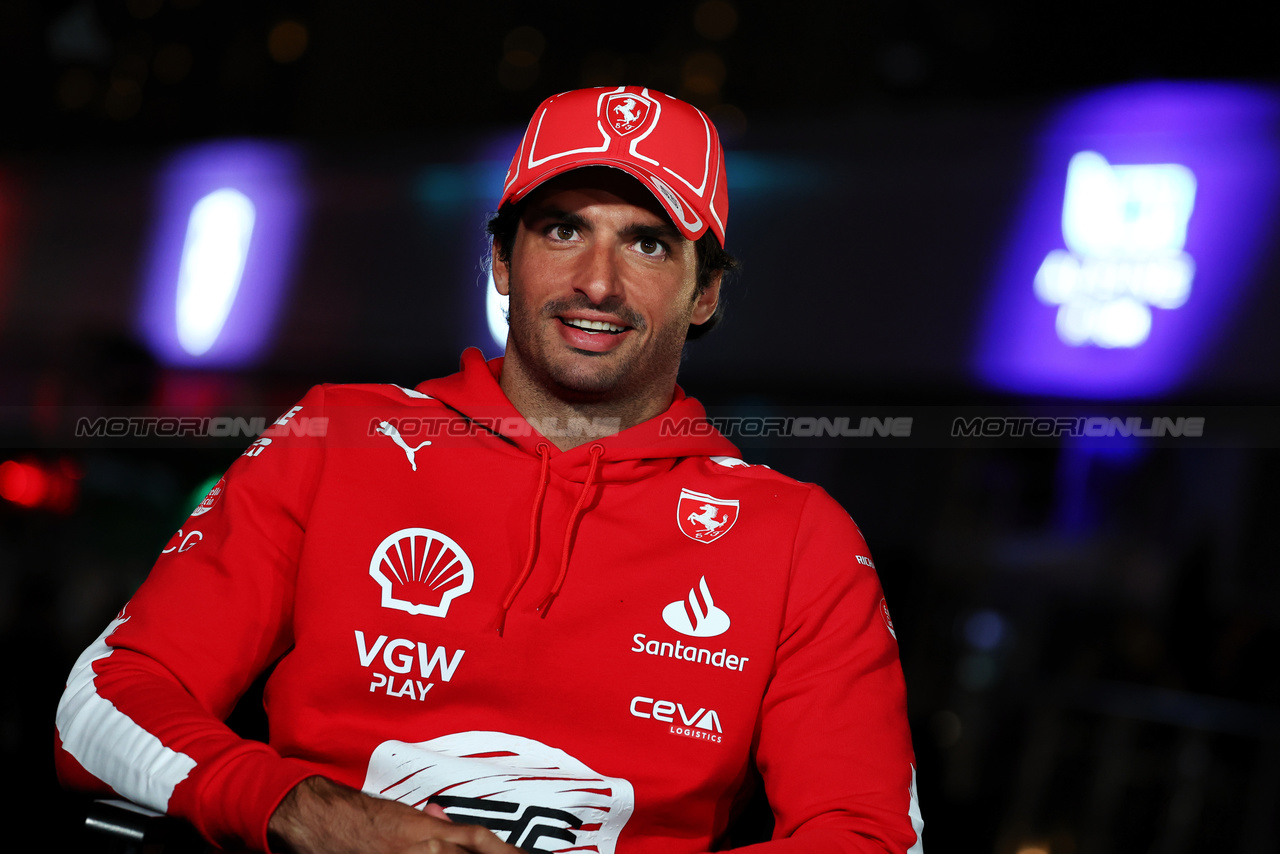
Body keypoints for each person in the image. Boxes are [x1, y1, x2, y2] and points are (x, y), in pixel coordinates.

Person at [55, 86, 924, 854]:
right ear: (503, 261)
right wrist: (304, 809)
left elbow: (867, 834)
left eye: (650, 245)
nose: (599, 282)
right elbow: (101, 704)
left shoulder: (798, 539)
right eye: (562, 229)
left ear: (706, 294)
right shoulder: (337, 437)